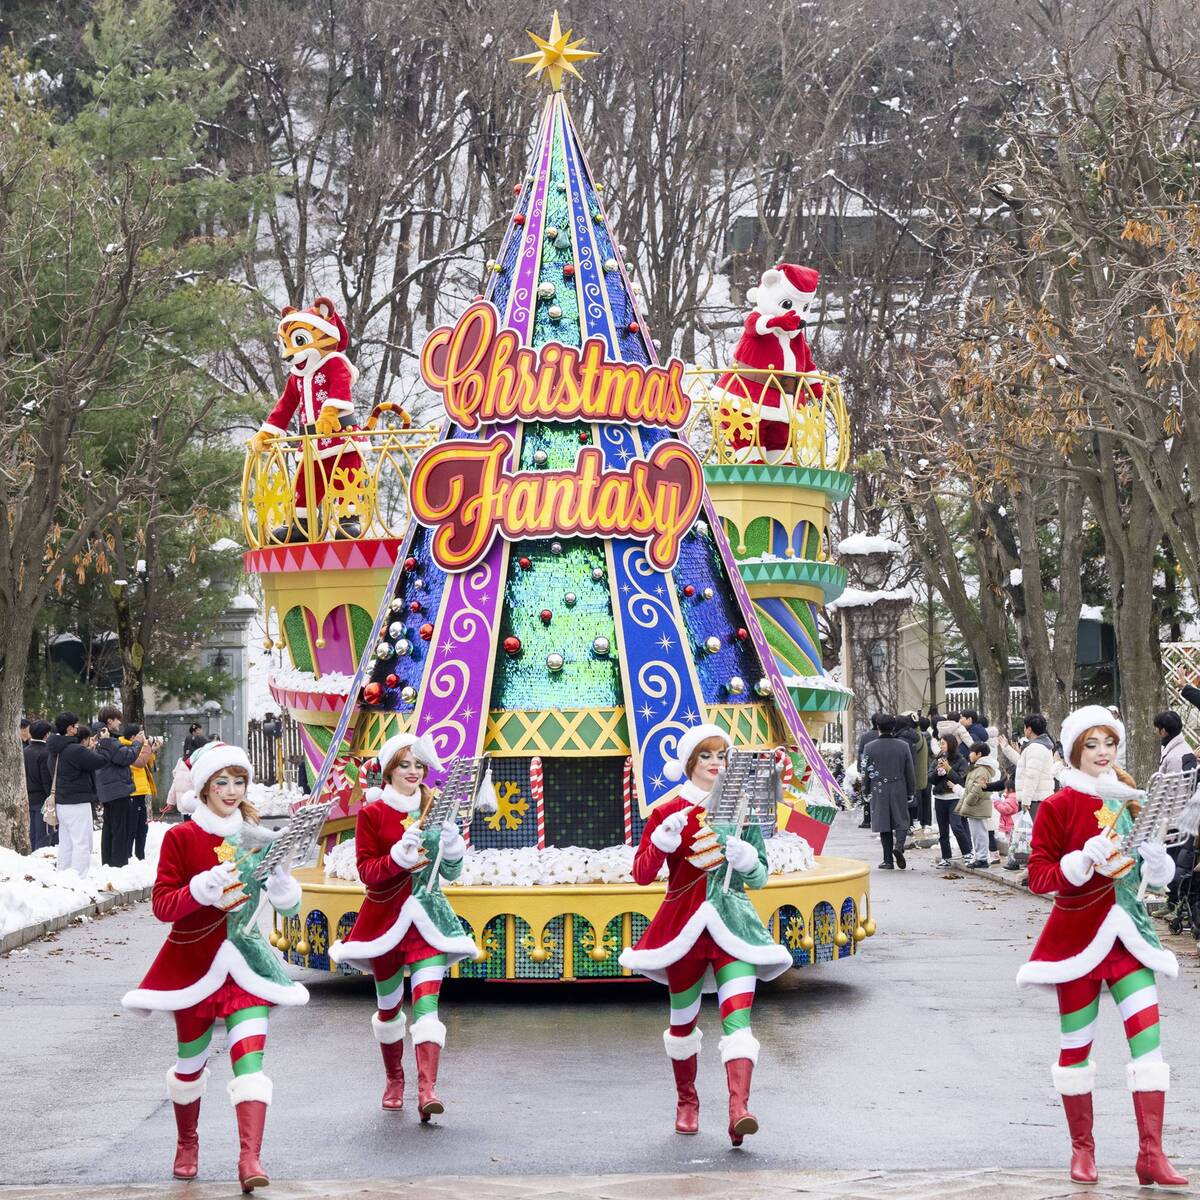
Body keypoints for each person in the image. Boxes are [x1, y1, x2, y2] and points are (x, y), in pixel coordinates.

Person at [120, 741, 307, 1192]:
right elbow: (163, 906)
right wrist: (200, 889)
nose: (230, 789)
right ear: (203, 788)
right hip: (194, 970)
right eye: (221, 781)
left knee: (251, 1066)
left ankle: (250, 1158)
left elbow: (285, 903)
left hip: (246, 965)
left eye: (238, 781)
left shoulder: (258, 839)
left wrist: (283, 883)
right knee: (190, 1066)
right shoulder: (181, 838)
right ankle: (187, 1141)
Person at [1017, 705, 1185, 1188]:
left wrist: (1158, 867)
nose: (1102, 753)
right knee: (1076, 1051)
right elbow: (1038, 876)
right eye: (1091, 745)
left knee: (1149, 1050)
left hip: (1131, 940)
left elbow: (1139, 879)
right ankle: (1083, 1151)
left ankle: (1151, 1155)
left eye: (1108, 743)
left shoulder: (1132, 800)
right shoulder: (1058, 805)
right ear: (1074, 751)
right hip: (1078, 946)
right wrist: (1077, 862)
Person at [619, 725, 791, 1144]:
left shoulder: (742, 808)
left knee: (740, 1022)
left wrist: (748, 858)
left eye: (721, 757)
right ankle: (687, 1101)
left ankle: (738, 1110)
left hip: (734, 926)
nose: (716, 764)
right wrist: (661, 842)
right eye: (706, 757)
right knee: (683, 1023)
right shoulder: (667, 811)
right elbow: (642, 874)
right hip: (683, 929)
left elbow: (761, 876)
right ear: (690, 764)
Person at [328, 734, 476, 1119]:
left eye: (419, 765)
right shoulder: (373, 815)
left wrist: (453, 845)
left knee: (427, 1007)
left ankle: (428, 1090)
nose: (413, 772)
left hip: (428, 923)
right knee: (390, 1010)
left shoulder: (436, 808)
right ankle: (395, 1079)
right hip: (385, 923)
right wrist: (395, 857)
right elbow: (367, 873)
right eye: (405, 765)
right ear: (389, 768)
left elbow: (451, 872)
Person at [50, 718, 106, 877]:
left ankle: (63, 874)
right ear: (69, 729)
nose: (77, 727)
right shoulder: (75, 750)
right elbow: (100, 761)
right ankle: (79, 878)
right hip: (77, 803)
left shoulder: (54, 749)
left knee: (66, 843)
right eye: (75, 725)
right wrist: (104, 743)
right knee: (82, 843)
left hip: (61, 802)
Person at [95, 706, 148, 869]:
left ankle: (108, 861)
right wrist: (137, 743)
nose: (119, 722)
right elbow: (127, 757)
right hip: (117, 790)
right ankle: (117, 864)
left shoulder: (100, 739)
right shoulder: (108, 741)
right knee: (119, 829)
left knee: (110, 827)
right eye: (117, 719)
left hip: (108, 790)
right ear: (109, 721)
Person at [861, 714, 915, 870]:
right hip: (899, 785)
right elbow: (909, 771)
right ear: (893, 727)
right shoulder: (903, 746)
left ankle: (887, 860)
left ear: (878, 727)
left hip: (878, 788)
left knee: (884, 822)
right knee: (902, 819)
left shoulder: (869, 747)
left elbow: (865, 772)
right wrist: (911, 790)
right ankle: (898, 846)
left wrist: (865, 790)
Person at [999, 715, 1058, 825]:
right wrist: (1007, 749)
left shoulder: (1036, 747)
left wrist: (1026, 800)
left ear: (1029, 729)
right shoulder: (1039, 746)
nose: (1024, 730)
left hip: (1035, 800)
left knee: (1033, 835)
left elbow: (1032, 775)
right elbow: (1024, 764)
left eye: (1025, 727)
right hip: (1035, 798)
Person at [952, 742, 994, 868]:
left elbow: (977, 789)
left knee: (980, 832)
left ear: (979, 754)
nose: (969, 755)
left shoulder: (981, 770)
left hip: (978, 806)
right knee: (976, 833)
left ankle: (982, 858)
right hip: (976, 806)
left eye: (971, 752)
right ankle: (980, 857)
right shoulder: (977, 768)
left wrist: (968, 801)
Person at [932, 734, 971, 867]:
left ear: (951, 744)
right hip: (939, 798)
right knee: (943, 831)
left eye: (943, 743)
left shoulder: (961, 760)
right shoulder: (938, 758)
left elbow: (960, 780)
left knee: (957, 826)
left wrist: (948, 769)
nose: (941, 746)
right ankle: (946, 857)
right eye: (940, 744)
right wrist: (938, 772)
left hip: (954, 798)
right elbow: (930, 778)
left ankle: (967, 853)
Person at [122, 723, 158, 860]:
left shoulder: (139, 748)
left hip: (142, 792)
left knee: (143, 828)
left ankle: (140, 855)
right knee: (131, 828)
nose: (144, 737)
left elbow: (150, 766)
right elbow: (138, 764)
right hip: (133, 792)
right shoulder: (125, 748)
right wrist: (147, 747)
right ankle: (128, 856)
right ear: (133, 736)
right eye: (141, 734)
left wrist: (152, 750)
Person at [22, 719, 54, 851]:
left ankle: (33, 860)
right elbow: (46, 779)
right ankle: (40, 862)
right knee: (43, 834)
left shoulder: (24, 751)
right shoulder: (45, 753)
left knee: (32, 833)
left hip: (27, 797)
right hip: (42, 798)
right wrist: (51, 797)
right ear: (47, 734)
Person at [854, 713, 884, 827]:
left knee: (867, 792)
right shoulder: (886, 736)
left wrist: (860, 768)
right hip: (882, 768)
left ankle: (867, 820)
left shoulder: (865, 736)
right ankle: (880, 817)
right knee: (881, 792)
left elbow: (861, 753)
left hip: (868, 768)